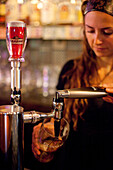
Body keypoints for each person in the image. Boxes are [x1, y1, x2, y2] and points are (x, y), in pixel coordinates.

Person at [32, 0, 113, 169]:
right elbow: (60, 121)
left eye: (107, 32)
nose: (97, 40)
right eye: (90, 31)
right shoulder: (71, 70)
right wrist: (47, 133)